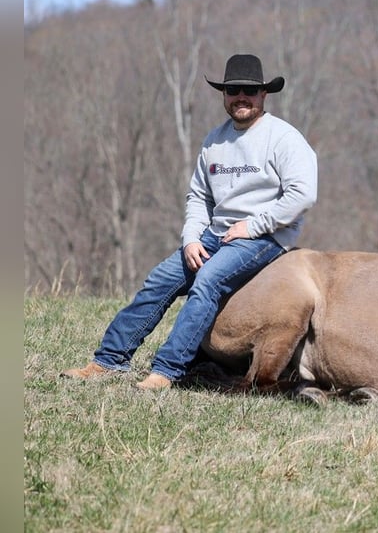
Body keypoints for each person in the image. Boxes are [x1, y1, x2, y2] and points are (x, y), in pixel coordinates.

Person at [62, 54, 318, 390]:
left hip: (263, 237)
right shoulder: (215, 140)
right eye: (233, 90)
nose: (240, 96)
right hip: (214, 234)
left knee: (208, 281)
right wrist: (191, 239)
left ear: (264, 95)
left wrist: (253, 226)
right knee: (159, 280)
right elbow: (198, 197)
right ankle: (110, 360)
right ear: (223, 94)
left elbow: (303, 195)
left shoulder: (284, 138)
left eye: (249, 91)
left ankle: (167, 370)